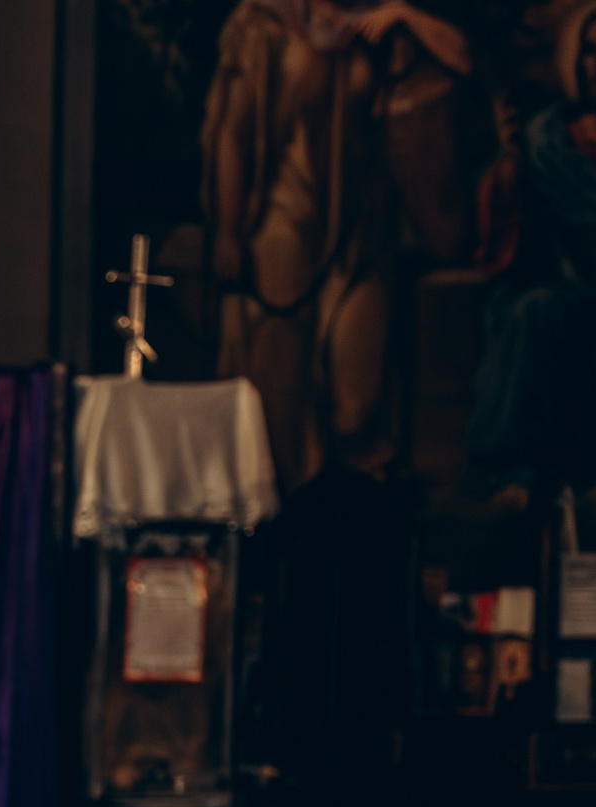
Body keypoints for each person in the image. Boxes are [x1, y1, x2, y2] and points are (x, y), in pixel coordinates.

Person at [201, 0, 473, 490]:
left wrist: (405, 15)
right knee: (278, 395)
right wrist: (227, 230)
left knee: (357, 402)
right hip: (284, 218)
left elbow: (464, 62)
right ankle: (281, 529)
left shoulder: (372, 26)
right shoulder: (261, 26)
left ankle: (355, 512)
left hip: (358, 230)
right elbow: (233, 134)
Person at [468, 4, 596, 500]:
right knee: (537, 310)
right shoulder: (550, 140)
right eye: (588, 50)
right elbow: (504, 229)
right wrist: (510, 158)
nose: (595, 64)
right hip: (584, 294)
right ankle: (507, 474)